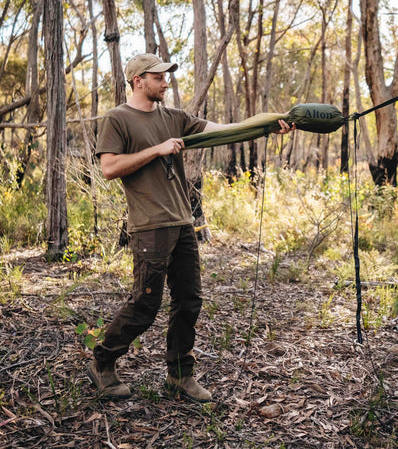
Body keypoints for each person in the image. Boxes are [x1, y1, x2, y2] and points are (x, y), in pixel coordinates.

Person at [87, 53, 294, 401]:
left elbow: (227, 131)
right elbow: (109, 168)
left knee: (189, 301)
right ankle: (103, 361)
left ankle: (180, 375)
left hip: (182, 222)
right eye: (159, 77)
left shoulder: (175, 117)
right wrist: (157, 149)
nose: (166, 82)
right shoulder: (117, 118)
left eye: (166, 76)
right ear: (139, 80)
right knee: (145, 305)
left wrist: (270, 125)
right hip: (149, 226)